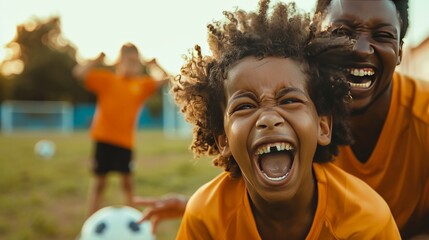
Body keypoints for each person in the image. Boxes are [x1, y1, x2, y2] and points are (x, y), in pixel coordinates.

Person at [138, 0, 429, 238]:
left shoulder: (367, 217)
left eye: (289, 101)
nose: (360, 48)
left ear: (323, 125)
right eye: (343, 33)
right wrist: (204, 210)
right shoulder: (209, 212)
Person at [316, 0, 429, 238]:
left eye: (383, 35)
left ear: (399, 51)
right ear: (315, 38)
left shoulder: (424, 115)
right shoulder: (291, 117)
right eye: (342, 32)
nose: (361, 48)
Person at [73, 42, 169, 217]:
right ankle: (89, 223)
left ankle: (134, 223)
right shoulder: (107, 79)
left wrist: (156, 65)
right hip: (103, 139)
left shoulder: (141, 85)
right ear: (119, 61)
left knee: (128, 185)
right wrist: (96, 59)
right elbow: (78, 73)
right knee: (99, 184)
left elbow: (168, 79)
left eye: (135, 61)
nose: (132, 65)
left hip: (125, 142)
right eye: (128, 60)